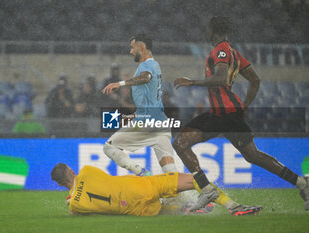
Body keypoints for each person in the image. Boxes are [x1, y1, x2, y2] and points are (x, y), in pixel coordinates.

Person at [101, 34, 260, 215]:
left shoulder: (147, 65)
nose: (130, 51)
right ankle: (216, 203)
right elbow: (151, 97)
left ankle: (141, 173)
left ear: (142, 48)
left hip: (149, 122)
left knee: (109, 147)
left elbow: (145, 77)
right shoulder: (152, 65)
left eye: (132, 47)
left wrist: (119, 83)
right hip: (159, 121)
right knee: (170, 170)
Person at [173, 16, 309, 211]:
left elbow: (220, 78)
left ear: (212, 31)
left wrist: (191, 82)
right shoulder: (235, 54)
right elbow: (255, 80)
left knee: (183, 144)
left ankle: (206, 189)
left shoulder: (220, 50)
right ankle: (302, 184)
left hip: (225, 114)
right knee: (250, 155)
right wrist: (244, 105)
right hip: (222, 114)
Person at [51, 163, 262, 216]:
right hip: (142, 186)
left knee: (161, 209)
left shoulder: (76, 204)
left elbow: (74, 209)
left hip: (136, 211)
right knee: (196, 179)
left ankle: (189, 209)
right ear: (71, 169)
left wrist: (70, 198)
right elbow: (83, 181)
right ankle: (233, 206)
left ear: (61, 184)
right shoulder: (87, 171)